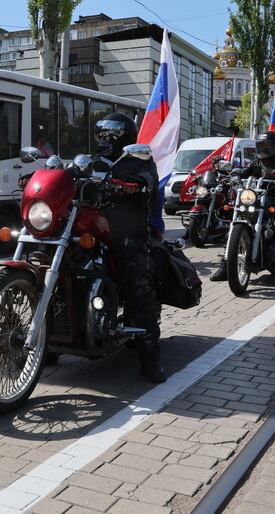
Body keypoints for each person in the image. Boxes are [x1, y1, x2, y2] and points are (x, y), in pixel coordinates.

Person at [93, 113, 166, 383]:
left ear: (125, 137)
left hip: (128, 232)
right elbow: (67, 172)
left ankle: (150, 358)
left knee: (138, 285)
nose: (105, 140)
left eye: (112, 135)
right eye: (102, 134)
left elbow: (149, 177)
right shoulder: (92, 160)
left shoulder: (139, 161)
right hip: (94, 229)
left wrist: (136, 184)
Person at [211, 130, 275, 286]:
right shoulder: (255, 162)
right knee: (232, 228)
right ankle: (225, 268)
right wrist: (235, 176)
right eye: (261, 145)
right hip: (256, 200)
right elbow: (243, 172)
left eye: (268, 145)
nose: (264, 149)